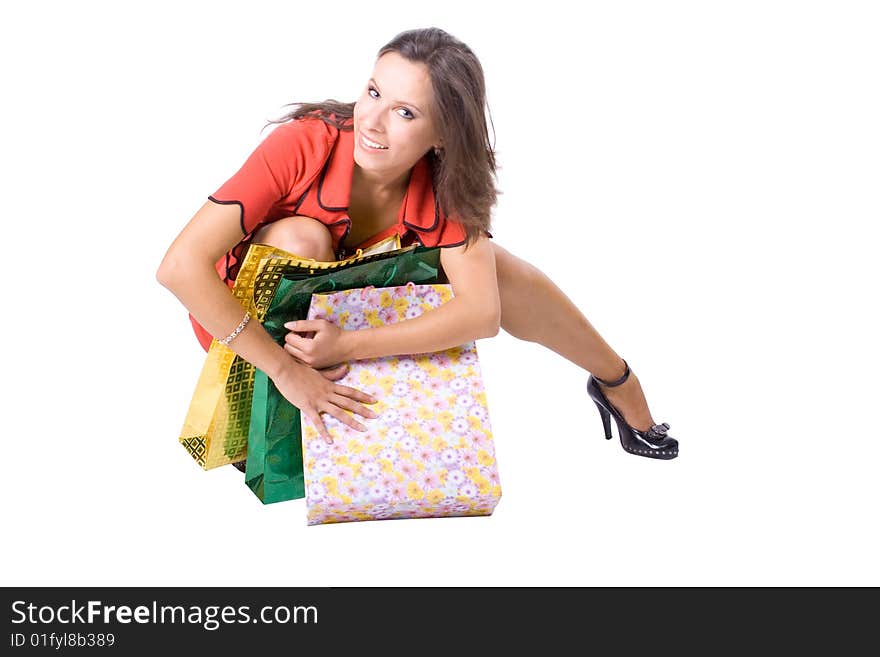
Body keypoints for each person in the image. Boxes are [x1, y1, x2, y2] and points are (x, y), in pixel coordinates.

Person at [157, 27, 678, 465]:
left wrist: (350, 345)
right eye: (374, 93)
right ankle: (279, 421)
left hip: (344, 330)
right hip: (250, 331)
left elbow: (482, 314)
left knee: (495, 271)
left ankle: (616, 381)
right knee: (303, 236)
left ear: (444, 135)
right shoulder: (305, 144)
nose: (373, 122)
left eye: (406, 113)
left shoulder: (449, 180)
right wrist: (287, 371)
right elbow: (180, 268)